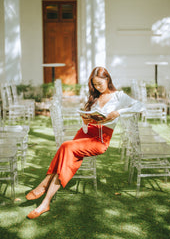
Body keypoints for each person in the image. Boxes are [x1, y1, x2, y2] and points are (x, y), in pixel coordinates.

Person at [26, 66, 144, 219]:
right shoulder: (94, 97)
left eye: (100, 84)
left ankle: (45, 182)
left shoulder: (119, 96)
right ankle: (45, 203)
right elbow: (87, 125)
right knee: (65, 159)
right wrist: (85, 120)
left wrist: (118, 112)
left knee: (65, 146)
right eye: (94, 84)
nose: (97, 87)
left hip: (100, 140)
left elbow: (140, 106)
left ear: (107, 79)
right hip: (85, 133)